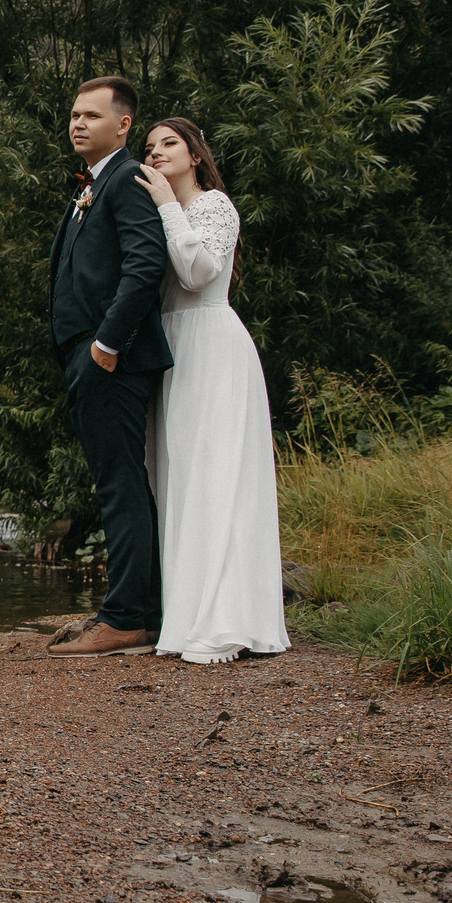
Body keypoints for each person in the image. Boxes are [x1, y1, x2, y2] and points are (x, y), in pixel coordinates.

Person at [132, 117, 290, 663]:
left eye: (168, 144)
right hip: (173, 349)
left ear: (195, 154)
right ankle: (183, 613)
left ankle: (225, 619)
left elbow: (199, 273)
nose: (155, 154)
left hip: (213, 345)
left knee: (216, 472)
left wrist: (167, 207)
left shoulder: (214, 206)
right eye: (148, 148)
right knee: (178, 475)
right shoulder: (158, 214)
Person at [45, 76, 172, 657]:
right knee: (119, 482)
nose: (77, 123)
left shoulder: (127, 180)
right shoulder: (91, 184)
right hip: (89, 354)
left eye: (91, 116)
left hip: (111, 358)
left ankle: (125, 618)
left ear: (123, 125)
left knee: (120, 485)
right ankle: (138, 612)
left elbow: (145, 266)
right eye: (74, 114)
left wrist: (105, 345)